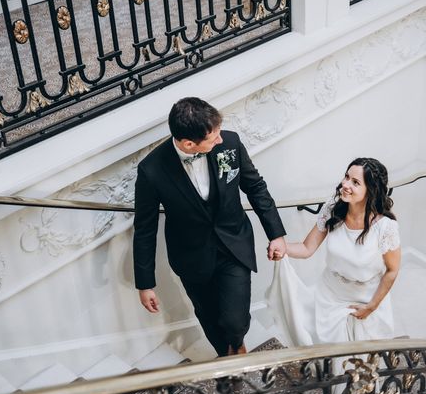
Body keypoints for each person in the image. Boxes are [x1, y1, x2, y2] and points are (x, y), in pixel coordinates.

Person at [133, 97, 286, 357]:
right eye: (212, 138)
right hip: (191, 256)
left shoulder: (231, 143)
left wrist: (276, 234)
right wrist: (145, 284)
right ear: (189, 144)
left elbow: (255, 187)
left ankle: (237, 345)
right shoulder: (151, 170)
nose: (219, 140)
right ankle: (226, 359)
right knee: (208, 315)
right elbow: (144, 228)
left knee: (234, 321)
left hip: (234, 245)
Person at [267, 158, 400, 346]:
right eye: (347, 177)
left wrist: (372, 307)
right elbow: (307, 248)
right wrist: (282, 247)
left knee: (360, 361)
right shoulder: (333, 209)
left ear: (370, 190)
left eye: (355, 182)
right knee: (329, 353)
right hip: (329, 295)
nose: (345, 185)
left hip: (364, 300)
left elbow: (392, 270)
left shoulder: (386, 228)